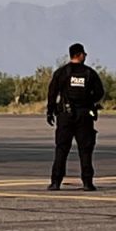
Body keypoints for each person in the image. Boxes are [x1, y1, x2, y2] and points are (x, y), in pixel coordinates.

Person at [46, 43, 105, 190]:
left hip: (65, 115)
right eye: (84, 54)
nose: (85, 56)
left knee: (61, 149)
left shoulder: (61, 72)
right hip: (84, 115)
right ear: (79, 55)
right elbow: (99, 93)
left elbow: (52, 93)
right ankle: (87, 182)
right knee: (85, 150)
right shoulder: (89, 73)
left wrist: (50, 111)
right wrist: (89, 100)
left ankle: (55, 182)